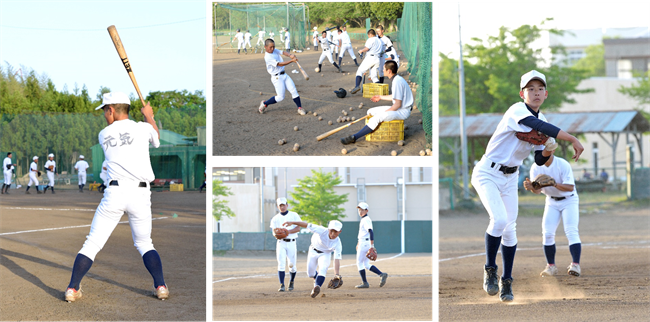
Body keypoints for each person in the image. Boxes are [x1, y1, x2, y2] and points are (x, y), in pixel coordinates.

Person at [470, 70, 584, 302]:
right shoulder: (517, 111)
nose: (536, 93)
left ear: (546, 93)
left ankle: (507, 281)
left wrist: (548, 148)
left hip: (510, 178)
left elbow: (539, 160)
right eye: (530, 89)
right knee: (499, 220)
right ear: (522, 93)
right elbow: (534, 124)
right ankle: (490, 270)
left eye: (540, 88)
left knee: (510, 229)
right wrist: (571, 138)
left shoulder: (543, 122)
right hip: (487, 174)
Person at [64, 92, 167, 302]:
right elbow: (156, 140)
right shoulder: (143, 127)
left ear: (111, 110)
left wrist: (145, 120)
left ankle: (72, 289)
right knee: (145, 243)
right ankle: (161, 286)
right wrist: (149, 116)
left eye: (105, 110)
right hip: (140, 193)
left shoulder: (104, 134)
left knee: (92, 243)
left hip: (114, 193)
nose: (104, 114)